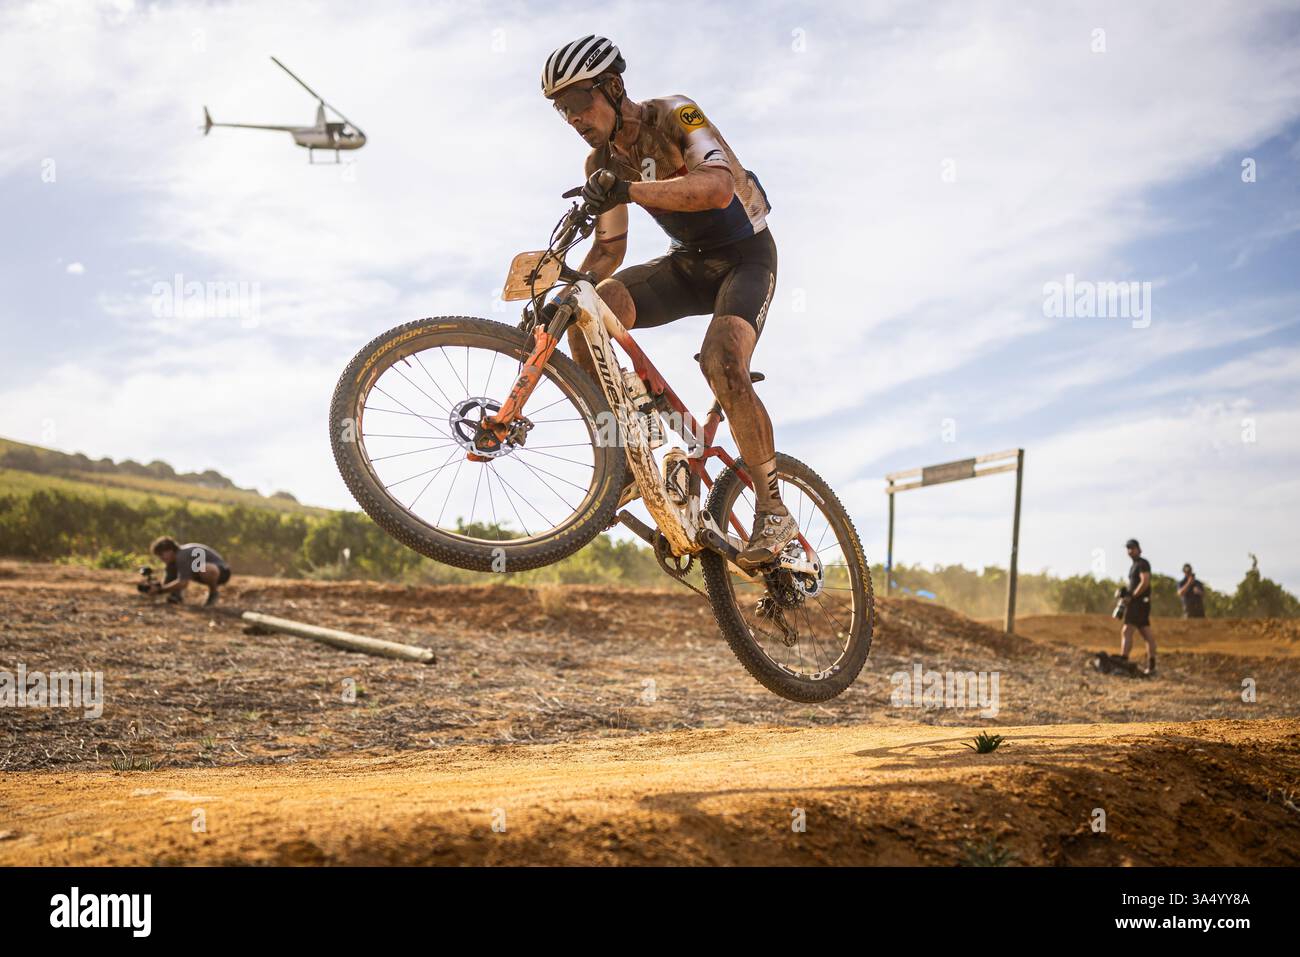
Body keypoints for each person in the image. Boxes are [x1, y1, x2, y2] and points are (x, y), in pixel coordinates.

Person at [540, 35, 790, 570]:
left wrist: (628, 190)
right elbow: (609, 250)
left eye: (579, 101)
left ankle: (773, 510)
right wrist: (563, 289)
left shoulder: (677, 112)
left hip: (745, 258)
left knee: (722, 361)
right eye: (562, 109)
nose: (573, 117)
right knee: (592, 307)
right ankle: (626, 455)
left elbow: (718, 189)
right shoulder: (600, 162)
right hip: (687, 264)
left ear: (613, 87)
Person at [147, 536, 232, 607]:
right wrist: (155, 587)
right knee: (175, 573)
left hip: (222, 572)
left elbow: (183, 583)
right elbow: (167, 583)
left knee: (205, 568)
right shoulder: (172, 562)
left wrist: (160, 590)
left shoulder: (182, 555)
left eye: (161, 554)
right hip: (203, 572)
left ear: (170, 550)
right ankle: (176, 596)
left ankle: (213, 593)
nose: (161, 558)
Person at [1118, 538, 1157, 676]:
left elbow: (1145, 582)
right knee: (1146, 633)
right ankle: (1152, 666)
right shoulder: (1134, 565)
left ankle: (1123, 661)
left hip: (1138, 603)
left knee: (1127, 630)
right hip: (1140, 603)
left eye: (1132, 548)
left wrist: (1132, 596)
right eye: (1128, 548)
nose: (1130, 551)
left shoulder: (1142, 563)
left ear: (1139, 549)